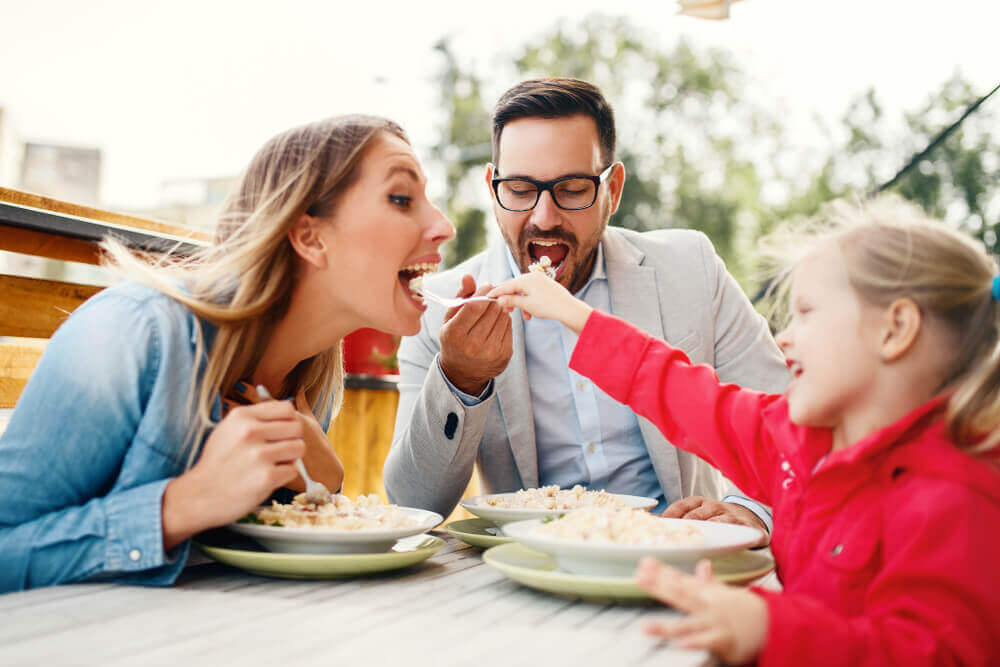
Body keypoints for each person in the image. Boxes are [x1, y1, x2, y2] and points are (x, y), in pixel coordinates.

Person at [487, 196, 1000, 666]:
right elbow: (682, 392)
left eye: (805, 314)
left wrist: (770, 628)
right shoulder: (795, 443)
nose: (784, 337)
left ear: (895, 329)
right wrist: (574, 314)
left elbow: (932, 653)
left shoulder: (956, 498)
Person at [0, 115, 455, 592]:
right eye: (401, 198)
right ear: (310, 237)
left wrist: (326, 485)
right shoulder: (130, 334)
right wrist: (181, 505)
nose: (443, 225)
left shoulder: (311, 378)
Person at [384, 78, 788, 538]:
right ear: (492, 187)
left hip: (676, 554)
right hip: (529, 570)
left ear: (612, 189)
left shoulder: (692, 268)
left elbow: (788, 422)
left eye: (572, 189)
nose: (544, 216)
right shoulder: (442, 308)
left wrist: (751, 509)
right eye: (519, 189)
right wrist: (461, 380)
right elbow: (412, 505)